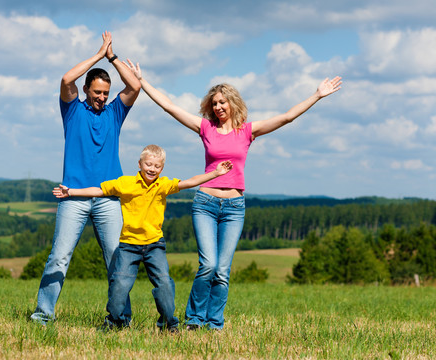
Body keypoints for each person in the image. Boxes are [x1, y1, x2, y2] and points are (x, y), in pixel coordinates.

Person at [125, 59, 342, 330]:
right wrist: (142, 81)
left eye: (222, 102)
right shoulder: (206, 129)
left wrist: (317, 95)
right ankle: (194, 319)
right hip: (205, 203)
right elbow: (169, 106)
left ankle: (214, 323)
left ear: (232, 103)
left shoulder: (247, 132)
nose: (218, 107)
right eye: (214, 103)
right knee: (208, 265)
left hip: (234, 207)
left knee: (223, 271)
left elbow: (287, 117)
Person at [52, 145, 233, 331]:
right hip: (129, 245)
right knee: (120, 284)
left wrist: (216, 173)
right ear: (139, 164)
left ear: (161, 169)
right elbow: (99, 190)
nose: (152, 169)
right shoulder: (126, 183)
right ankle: (115, 321)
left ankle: (168, 322)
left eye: (157, 166)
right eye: (148, 164)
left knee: (164, 283)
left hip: (155, 245)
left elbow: (189, 182)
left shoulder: (162, 185)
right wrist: (71, 192)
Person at [30, 31, 141, 324]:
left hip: (108, 199)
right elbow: (66, 80)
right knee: (59, 258)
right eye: (97, 92)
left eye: (106, 93)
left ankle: (120, 319)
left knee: (116, 262)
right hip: (72, 197)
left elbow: (135, 85)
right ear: (86, 89)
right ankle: (43, 315)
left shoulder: (115, 112)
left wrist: (112, 57)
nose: (102, 98)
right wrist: (98, 53)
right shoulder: (72, 110)